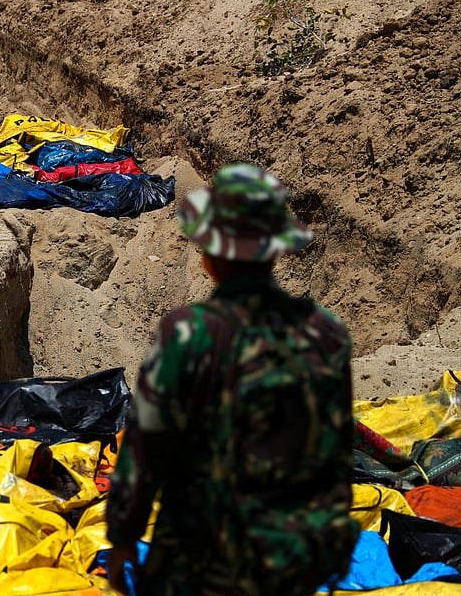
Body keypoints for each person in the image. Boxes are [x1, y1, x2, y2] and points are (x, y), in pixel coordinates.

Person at [105, 163, 359, 595]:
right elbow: (336, 448)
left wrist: (124, 536)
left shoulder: (188, 333)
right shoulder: (326, 332)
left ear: (209, 255)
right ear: (276, 251)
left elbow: (146, 445)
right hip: (296, 555)